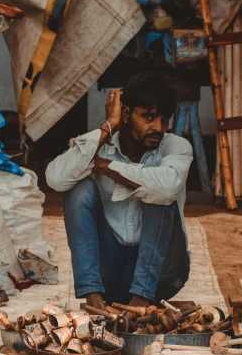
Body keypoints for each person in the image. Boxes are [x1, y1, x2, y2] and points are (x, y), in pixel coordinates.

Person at [45, 71, 192, 310]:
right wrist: (109, 126)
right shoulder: (99, 145)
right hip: (109, 277)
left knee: (159, 191)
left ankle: (140, 300)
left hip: (163, 276)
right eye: (149, 117)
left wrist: (103, 166)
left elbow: (166, 188)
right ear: (125, 113)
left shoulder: (176, 146)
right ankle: (92, 298)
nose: (158, 127)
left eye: (164, 120)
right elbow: (55, 179)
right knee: (77, 189)